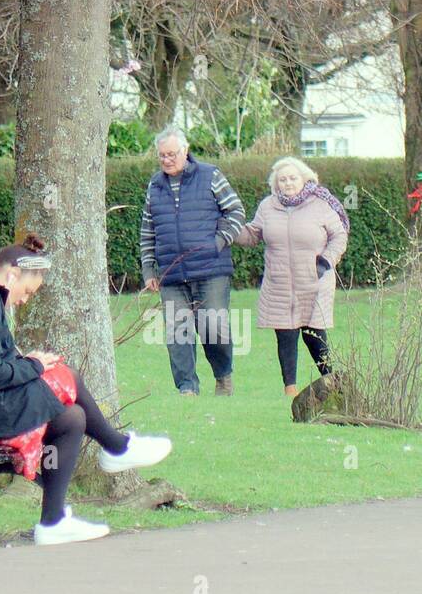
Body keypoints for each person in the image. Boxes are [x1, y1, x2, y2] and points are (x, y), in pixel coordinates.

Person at [0, 233, 172, 547]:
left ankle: (53, 522)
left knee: (72, 417)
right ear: (13, 274)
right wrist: (34, 366)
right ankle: (116, 447)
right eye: (26, 290)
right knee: (67, 377)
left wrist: (29, 363)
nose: (23, 300)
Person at [140, 125, 246, 396]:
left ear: (185, 151)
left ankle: (223, 376)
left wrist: (219, 241)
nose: (166, 160)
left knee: (214, 327)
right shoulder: (154, 185)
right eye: (161, 155)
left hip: (211, 269)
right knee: (177, 334)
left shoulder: (211, 175)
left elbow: (236, 211)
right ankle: (187, 388)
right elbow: (148, 229)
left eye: (172, 154)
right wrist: (148, 268)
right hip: (171, 275)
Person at [234, 156, 349, 396]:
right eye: (282, 179)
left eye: (292, 178)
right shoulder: (268, 206)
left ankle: (332, 383)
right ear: (276, 184)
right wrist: (230, 231)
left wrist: (326, 260)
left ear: (305, 179)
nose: (288, 183)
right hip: (280, 283)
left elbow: (339, 235)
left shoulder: (320, 204)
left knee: (314, 334)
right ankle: (290, 390)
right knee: (285, 336)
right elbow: (253, 234)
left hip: (314, 280)